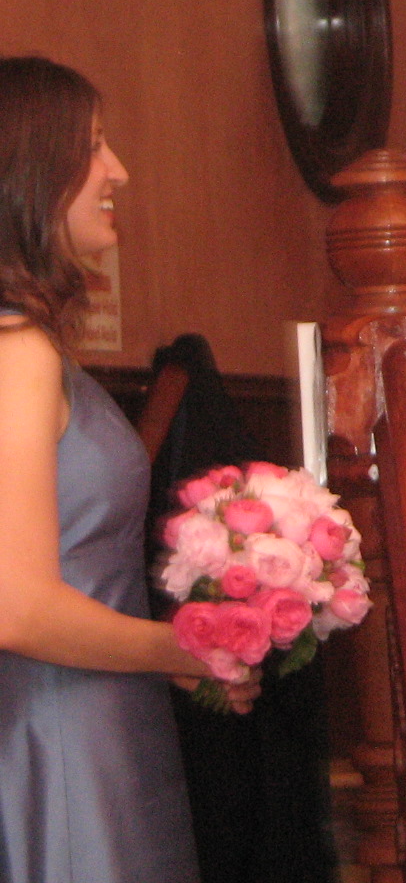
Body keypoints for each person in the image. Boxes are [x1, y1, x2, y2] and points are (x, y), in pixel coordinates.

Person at [0, 55, 254, 883]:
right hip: (60, 730)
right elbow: (18, 608)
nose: (118, 171)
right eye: (93, 148)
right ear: (32, 172)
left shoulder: (31, 346)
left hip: (97, 712)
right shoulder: (16, 352)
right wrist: (181, 650)